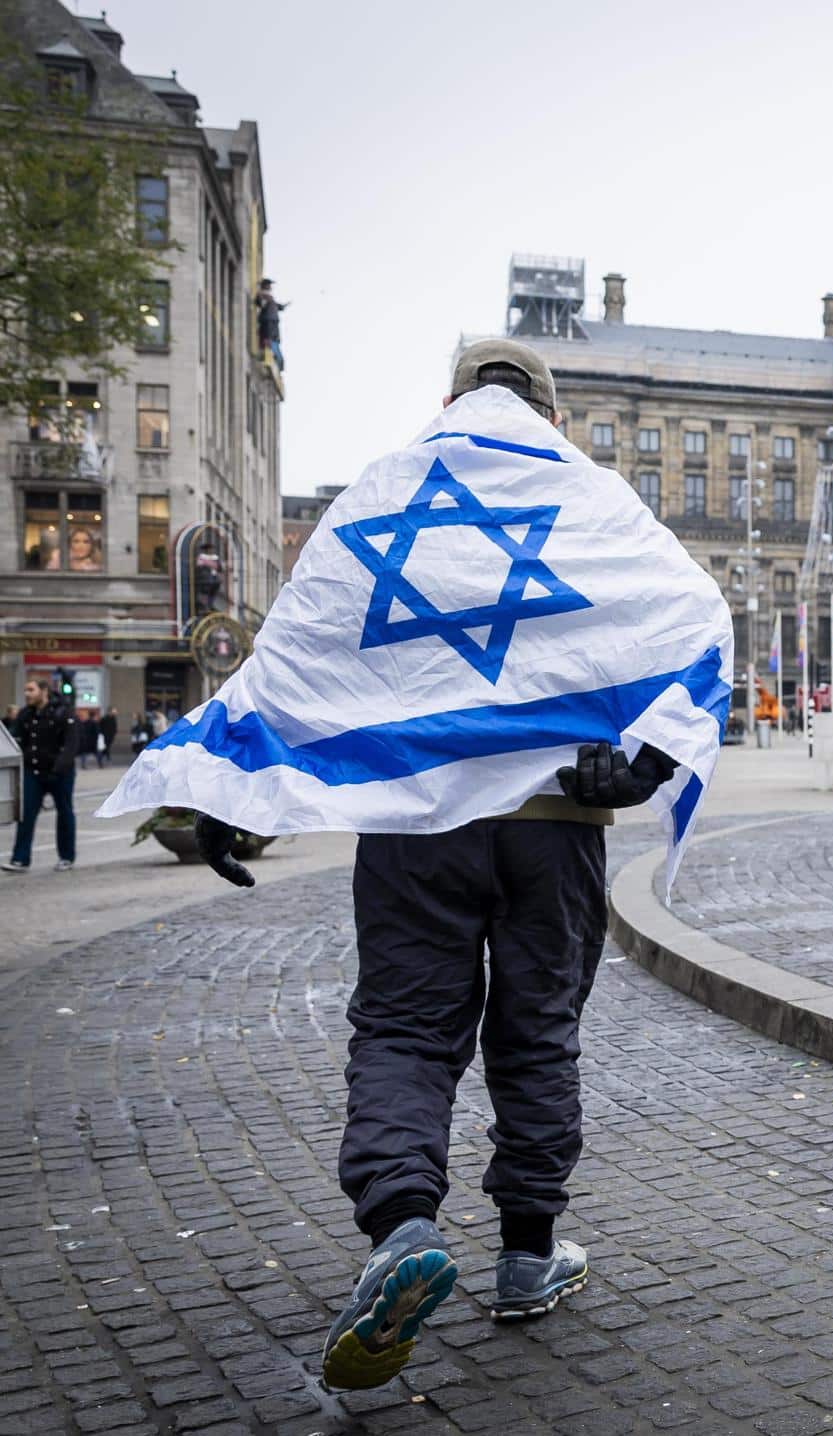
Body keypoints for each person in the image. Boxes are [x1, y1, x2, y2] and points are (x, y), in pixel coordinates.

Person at [191, 340, 688, 1390]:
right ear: (550, 412)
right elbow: (688, 623)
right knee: (538, 1027)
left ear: (451, 400)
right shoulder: (594, 500)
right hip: (555, 819)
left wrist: (228, 790)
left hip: (420, 817)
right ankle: (525, 1249)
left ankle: (403, 1225)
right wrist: (633, 767)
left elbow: (301, 640)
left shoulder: (388, 489)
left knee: (409, 1027)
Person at [4, 679, 78, 874]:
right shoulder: (26, 714)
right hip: (33, 771)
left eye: (31, 689)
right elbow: (15, 740)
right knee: (25, 814)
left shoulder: (63, 712)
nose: (27, 694)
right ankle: (20, 859)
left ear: (43, 691)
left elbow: (71, 745)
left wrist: (59, 768)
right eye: (25, 690)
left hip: (60, 773)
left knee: (65, 812)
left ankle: (66, 857)